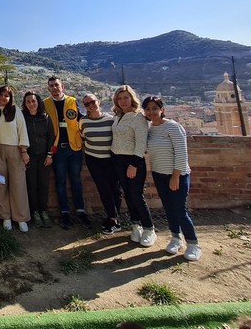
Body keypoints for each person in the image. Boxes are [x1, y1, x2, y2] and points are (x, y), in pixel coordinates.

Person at [143, 96, 201, 261]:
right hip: (159, 174)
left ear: (162, 109)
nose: (151, 112)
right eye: (148, 109)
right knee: (168, 207)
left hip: (177, 175)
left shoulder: (174, 127)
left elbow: (182, 154)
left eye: (155, 108)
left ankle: (193, 244)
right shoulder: (149, 129)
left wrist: (175, 176)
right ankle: (176, 238)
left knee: (179, 210)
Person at [43, 76, 91, 229]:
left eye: (57, 85)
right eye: (51, 85)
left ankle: (81, 211)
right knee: (60, 182)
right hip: (58, 150)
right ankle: (64, 213)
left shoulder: (71, 101)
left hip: (75, 148)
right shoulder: (45, 104)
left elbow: (81, 119)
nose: (55, 88)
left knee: (76, 180)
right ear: (48, 88)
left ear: (62, 86)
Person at [111, 85, 155, 247]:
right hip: (117, 160)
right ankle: (136, 226)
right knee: (128, 195)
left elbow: (141, 143)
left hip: (133, 161)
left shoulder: (139, 118)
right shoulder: (118, 116)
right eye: (119, 98)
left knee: (137, 195)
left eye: (125, 97)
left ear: (132, 98)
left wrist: (134, 164)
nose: (122, 101)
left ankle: (149, 229)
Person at [0, 85, 31, 232]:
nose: (3, 97)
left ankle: (21, 218)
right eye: (1, 94)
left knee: (18, 184)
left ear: (10, 98)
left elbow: (22, 130)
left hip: (15, 150)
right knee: (0, 184)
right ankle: (5, 216)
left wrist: (24, 151)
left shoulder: (16, 111)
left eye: (6, 95)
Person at [79, 93, 123, 235]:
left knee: (116, 190)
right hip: (93, 160)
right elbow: (82, 138)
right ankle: (113, 219)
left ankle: (114, 219)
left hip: (111, 159)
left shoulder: (111, 120)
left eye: (92, 102)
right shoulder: (83, 122)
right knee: (104, 190)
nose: (91, 105)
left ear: (99, 101)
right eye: (87, 104)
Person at [21, 92, 55, 228]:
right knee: (31, 185)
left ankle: (43, 211)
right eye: (28, 101)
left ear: (38, 102)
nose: (31, 104)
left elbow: (52, 138)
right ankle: (34, 211)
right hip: (29, 156)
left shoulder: (46, 117)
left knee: (44, 185)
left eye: (33, 101)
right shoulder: (23, 118)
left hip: (43, 157)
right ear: (25, 104)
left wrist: (49, 155)